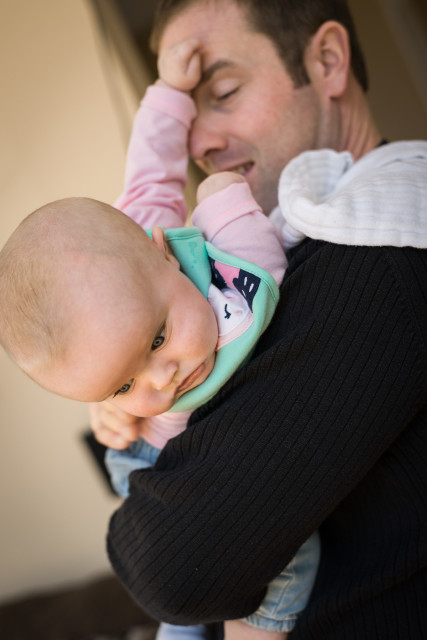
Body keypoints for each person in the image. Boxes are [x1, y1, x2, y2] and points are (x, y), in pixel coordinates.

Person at [87, 1, 427, 639]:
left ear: (328, 61)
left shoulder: (382, 248)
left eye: (222, 93)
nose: (198, 143)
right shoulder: (279, 256)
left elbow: (173, 565)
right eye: (188, 115)